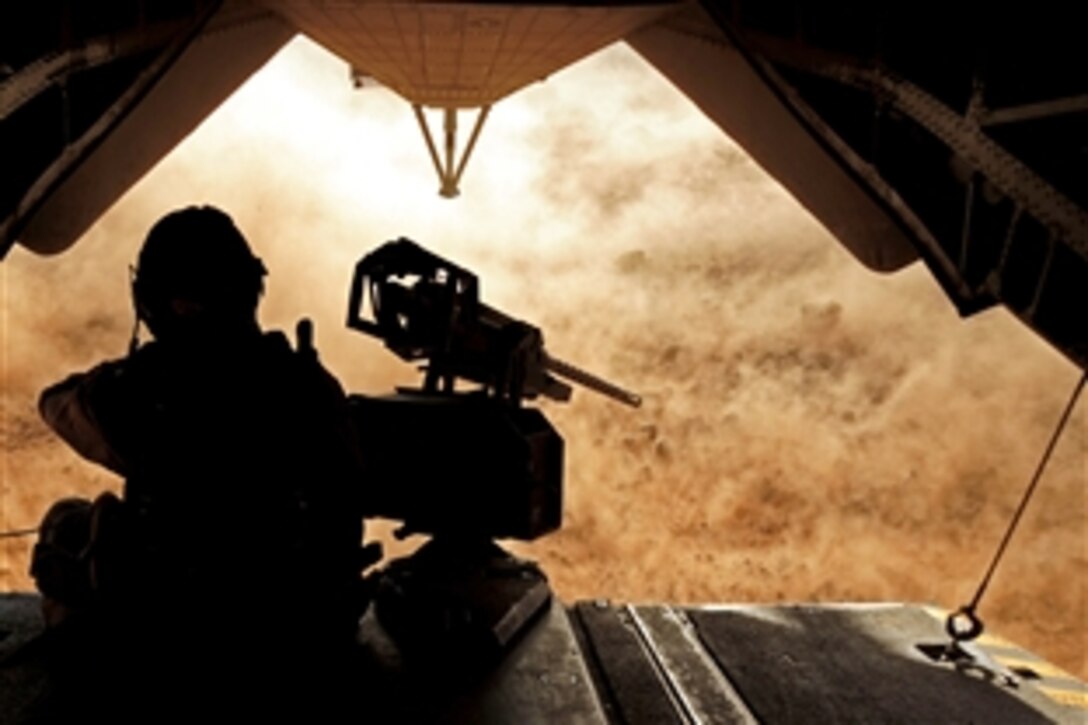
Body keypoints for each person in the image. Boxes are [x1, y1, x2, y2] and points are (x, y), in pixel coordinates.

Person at [30, 206, 370, 712]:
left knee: (68, 527)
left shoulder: (147, 393)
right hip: (308, 646)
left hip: (184, 653)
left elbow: (57, 404)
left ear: (158, 303)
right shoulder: (311, 384)